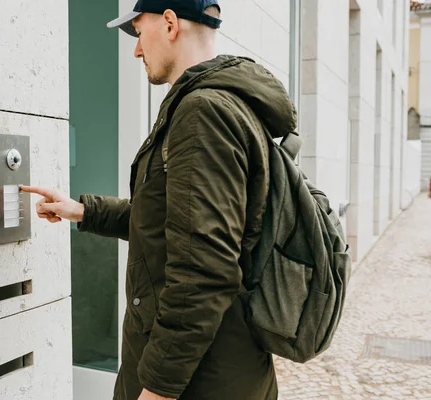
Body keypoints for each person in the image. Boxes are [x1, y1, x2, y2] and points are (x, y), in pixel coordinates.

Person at [21, 0, 299, 398]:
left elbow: (204, 270)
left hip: (199, 381)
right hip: (223, 366)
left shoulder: (203, 112)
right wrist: (83, 210)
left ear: (170, 24)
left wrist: (158, 389)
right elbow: (177, 223)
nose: (135, 49)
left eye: (138, 32)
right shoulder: (227, 104)